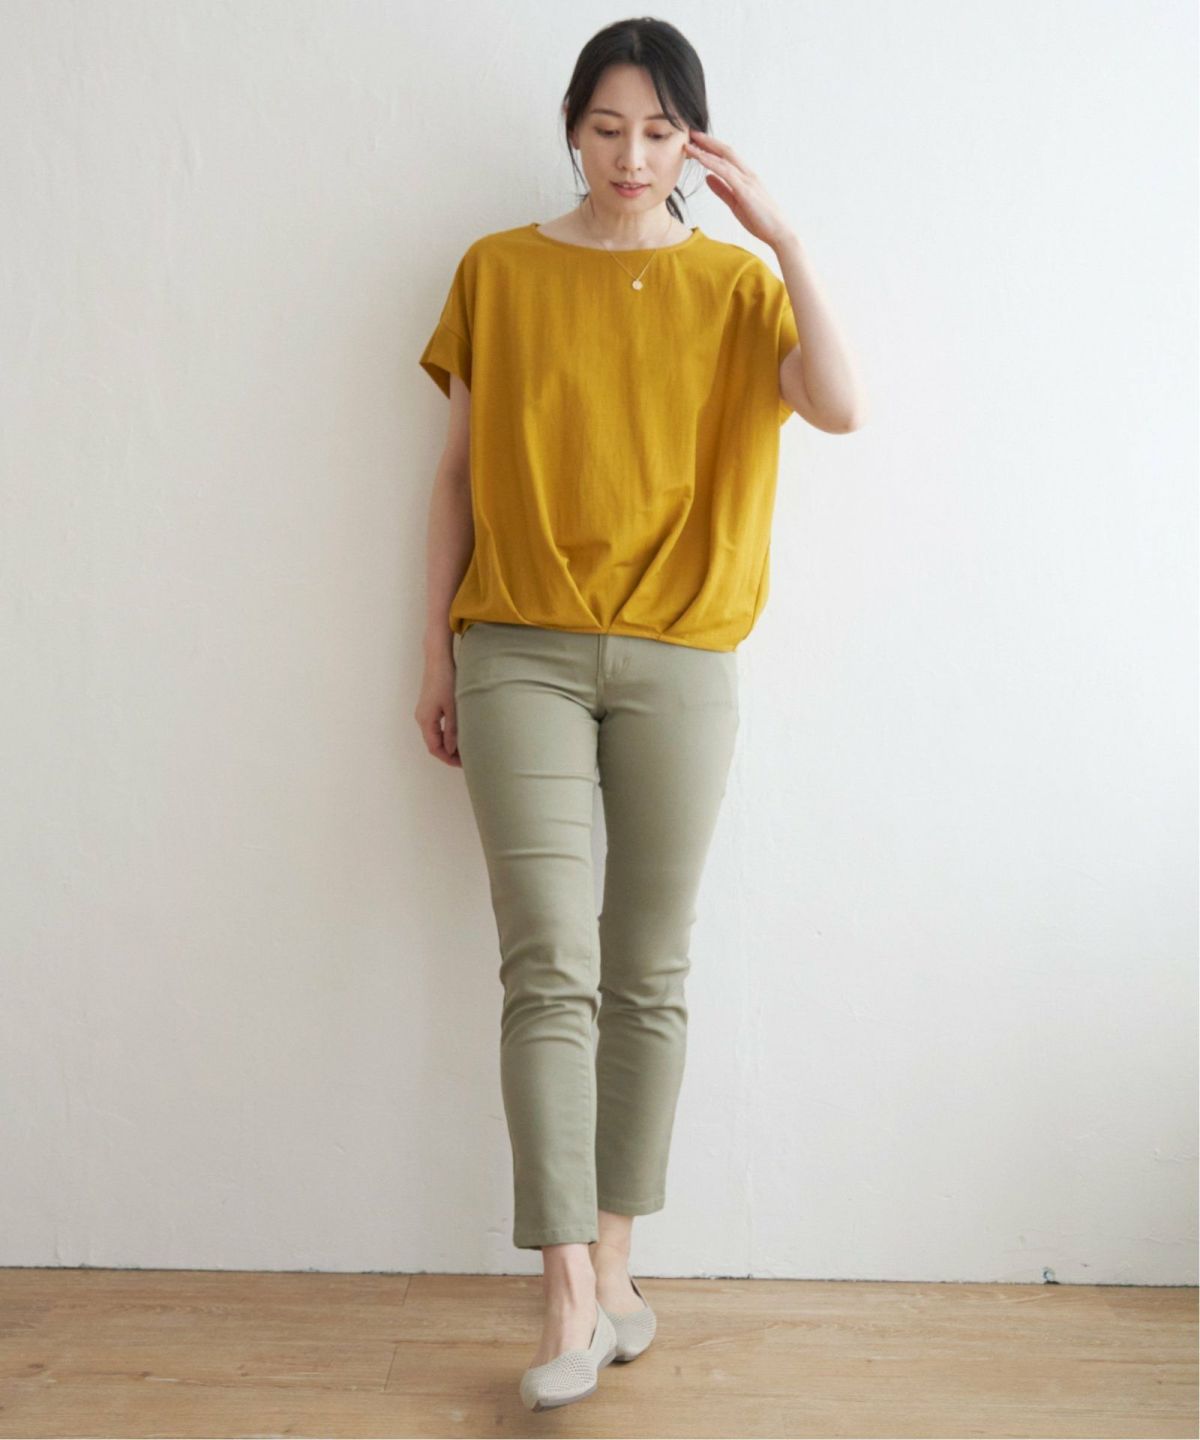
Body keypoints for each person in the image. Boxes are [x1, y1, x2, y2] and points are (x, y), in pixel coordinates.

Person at [414, 17, 866, 1412]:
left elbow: (840, 407)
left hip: (680, 659)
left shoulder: (734, 287)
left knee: (647, 968)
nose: (631, 154)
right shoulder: (497, 271)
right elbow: (455, 478)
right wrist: (433, 657)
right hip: (519, 651)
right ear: (572, 128)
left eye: (660, 131)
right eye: (608, 127)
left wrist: (784, 237)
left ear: (693, 143)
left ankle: (617, 1268)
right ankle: (562, 1289)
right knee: (547, 963)